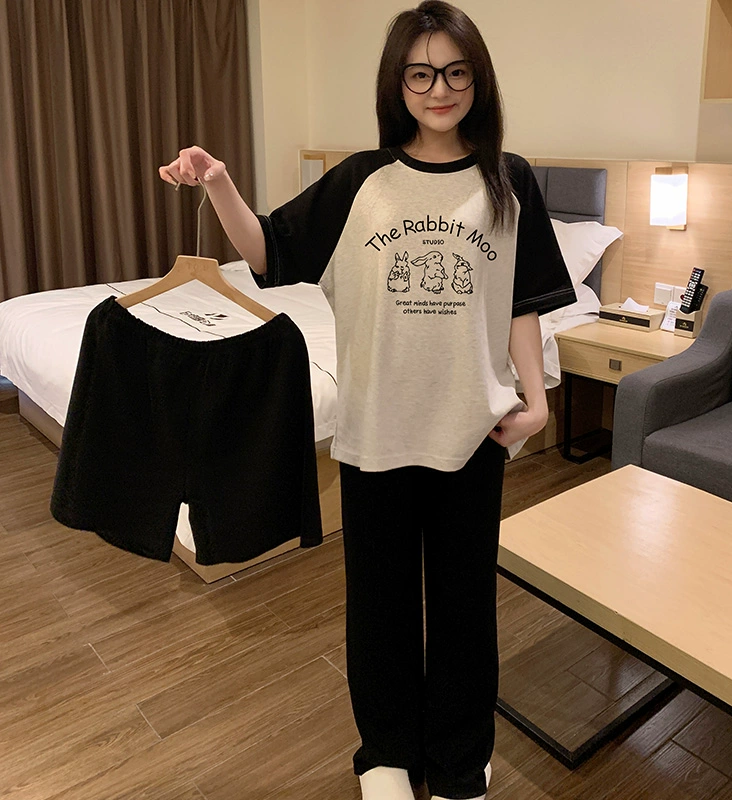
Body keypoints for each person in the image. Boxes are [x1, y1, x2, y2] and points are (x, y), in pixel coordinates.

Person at [160, 2, 575, 798]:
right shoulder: (360, 179)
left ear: (477, 79)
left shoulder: (508, 178)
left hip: (472, 432)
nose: (439, 89)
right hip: (376, 430)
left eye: (455, 72)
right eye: (421, 73)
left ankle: (458, 761)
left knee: (463, 607)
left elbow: (522, 299)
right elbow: (269, 250)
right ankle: (385, 754)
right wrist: (218, 182)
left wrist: (537, 398)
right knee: (379, 607)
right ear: (398, 83)